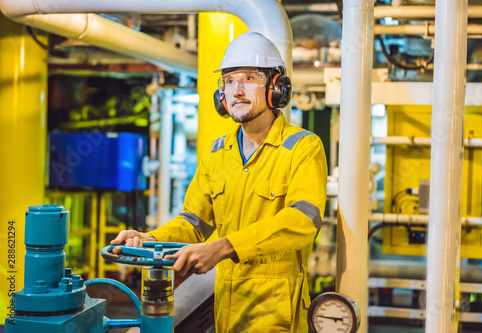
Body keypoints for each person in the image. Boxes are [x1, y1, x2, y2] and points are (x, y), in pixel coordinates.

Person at [111, 32, 327, 332]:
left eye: (249, 78)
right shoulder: (217, 153)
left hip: (276, 311)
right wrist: (151, 239)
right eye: (229, 80)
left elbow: (302, 221)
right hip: (225, 308)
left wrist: (223, 247)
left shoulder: (303, 146)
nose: (237, 90)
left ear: (277, 87)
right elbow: (193, 222)